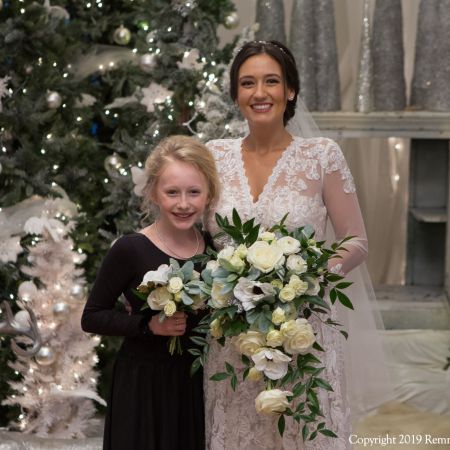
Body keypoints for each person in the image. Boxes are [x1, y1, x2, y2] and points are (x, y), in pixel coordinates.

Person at [204, 40, 392, 450]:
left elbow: (356, 241)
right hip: (234, 332)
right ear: (235, 94)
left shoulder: (321, 156)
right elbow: (193, 234)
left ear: (290, 90)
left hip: (303, 328)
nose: (260, 92)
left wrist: (303, 281)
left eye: (271, 81)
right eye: (247, 83)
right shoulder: (213, 156)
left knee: (302, 431)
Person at [81, 135, 220, 450]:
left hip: (193, 383)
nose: (183, 203)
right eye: (172, 192)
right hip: (142, 384)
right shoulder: (130, 249)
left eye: (194, 192)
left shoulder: (213, 249)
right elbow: (92, 317)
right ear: (154, 193)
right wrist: (148, 325)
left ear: (209, 194)